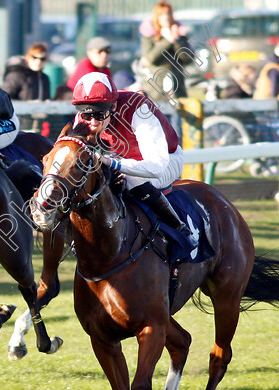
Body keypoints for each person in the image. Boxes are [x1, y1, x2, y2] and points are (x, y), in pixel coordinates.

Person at [71, 72, 196, 248]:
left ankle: (179, 228)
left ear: (113, 106)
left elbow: (156, 166)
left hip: (167, 160)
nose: (92, 122)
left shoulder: (139, 109)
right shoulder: (83, 119)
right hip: (122, 159)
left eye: (99, 115)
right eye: (86, 115)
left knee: (133, 179)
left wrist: (112, 163)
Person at [139, 1, 192, 101]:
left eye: (168, 14)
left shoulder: (180, 36)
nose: (165, 17)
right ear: (156, 17)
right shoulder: (149, 37)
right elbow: (150, 58)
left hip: (177, 90)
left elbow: (187, 58)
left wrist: (176, 40)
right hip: (156, 92)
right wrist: (167, 41)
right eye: (161, 15)